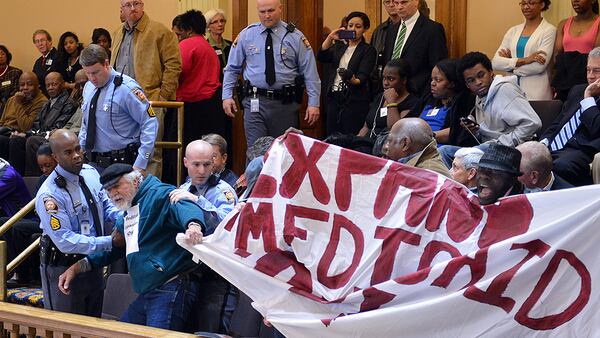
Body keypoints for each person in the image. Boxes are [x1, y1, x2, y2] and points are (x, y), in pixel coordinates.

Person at [58, 163, 206, 332]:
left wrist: (193, 225)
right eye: (108, 190)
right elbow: (117, 246)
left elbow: (184, 206)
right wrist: (79, 267)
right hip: (149, 291)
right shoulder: (128, 210)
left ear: (135, 181)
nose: (113, 194)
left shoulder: (159, 193)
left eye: (116, 186)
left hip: (171, 285)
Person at [36, 129, 121, 316]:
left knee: (92, 323)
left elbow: (107, 205)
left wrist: (124, 221)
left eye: (78, 149)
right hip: (63, 265)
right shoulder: (49, 194)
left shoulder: (90, 173)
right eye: (68, 152)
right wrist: (109, 242)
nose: (76, 156)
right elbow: (65, 240)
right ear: (55, 157)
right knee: (65, 327)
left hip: (92, 261)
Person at [223, 0, 321, 148]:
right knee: (255, 151)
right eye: (262, 12)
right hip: (255, 103)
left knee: (284, 152)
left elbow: (310, 72)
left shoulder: (295, 36)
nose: (267, 16)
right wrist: (226, 96)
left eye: (271, 11)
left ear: (280, 9)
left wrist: (314, 103)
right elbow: (232, 68)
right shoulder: (247, 35)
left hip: (285, 104)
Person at [170, 140, 237, 333]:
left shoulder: (223, 190)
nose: (201, 170)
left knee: (211, 329)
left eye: (207, 164)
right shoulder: (182, 189)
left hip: (218, 273)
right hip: (190, 272)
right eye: (196, 164)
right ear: (185, 163)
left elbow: (228, 224)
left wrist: (198, 201)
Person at [112, 0, 182, 178]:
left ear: (143, 5)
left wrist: (163, 96)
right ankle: (127, 195)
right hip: (121, 101)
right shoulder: (117, 34)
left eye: (136, 3)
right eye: (128, 4)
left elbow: (174, 65)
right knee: (123, 150)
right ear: (121, 8)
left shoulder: (160, 31)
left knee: (151, 152)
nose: (133, 8)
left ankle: (149, 196)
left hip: (150, 99)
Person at [438, 52, 541, 167]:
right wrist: (477, 131)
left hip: (512, 150)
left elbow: (533, 123)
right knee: (443, 152)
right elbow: (492, 131)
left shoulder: (505, 90)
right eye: (471, 80)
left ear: (491, 72)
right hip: (489, 148)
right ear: (467, 85)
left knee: (467, 154)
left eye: (481, 75)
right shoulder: (479, 96)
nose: (478, 82)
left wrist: (501, 144)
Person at [79, 44, 158, 172]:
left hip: (123, 164)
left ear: (106, 64)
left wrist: (141, 162)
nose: (92, 78)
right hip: (93, 162)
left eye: (95, 72)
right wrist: (80, 148)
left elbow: (149, 122)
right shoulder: (89, 88)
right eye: (87, 73)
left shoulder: (127, 89)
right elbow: (86, 123)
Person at [539, 46, 600, 186]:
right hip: (554, 148)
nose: (590, 75)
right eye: (588, 70)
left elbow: (596, 128)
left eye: (597, 71)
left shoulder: (585, 93)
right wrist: (543, 143)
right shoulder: (577, 90)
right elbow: (558, 123)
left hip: (582, 151)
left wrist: (588, 98)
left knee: (558, 166)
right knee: (521, 158)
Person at [3, 143, 57, 286]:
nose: (45, 170)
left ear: (57, 160)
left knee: (18, 228)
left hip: (55, 222)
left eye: (48, 165)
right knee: (3, 223)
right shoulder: (42, 180)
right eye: (41, 167)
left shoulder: (62, 179)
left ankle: (23, 275)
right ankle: (9, 269)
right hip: (40, 219)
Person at [6, 72, 77, 176]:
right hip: (41, 135)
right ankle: (14, 177)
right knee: (16, 140)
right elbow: (36, 125)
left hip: (54, 138)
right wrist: (25, 134)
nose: (50, 88)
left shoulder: (68, 104)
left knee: (32, 140)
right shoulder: (48, 103)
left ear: (62, 84)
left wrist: (29, 135)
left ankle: (32, 179)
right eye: (48, 85)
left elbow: (56, 129)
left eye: (54, 84)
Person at [319, 11, 377, 136]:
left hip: (354, 100)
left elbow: (362, 76)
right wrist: (330, 38)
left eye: (358, 26)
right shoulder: (339, 47)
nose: (353, 29)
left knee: (350, 137)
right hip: (334, 97)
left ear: (365, 29)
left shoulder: (368, 50)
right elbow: (322, 56)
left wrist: (352, 79)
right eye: (350, 26)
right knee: (332, 137)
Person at [172, 10, 223, 151]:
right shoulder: (208, 47)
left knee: (188, 149)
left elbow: (177, 72)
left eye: (180, 31)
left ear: (188, 30)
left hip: (192, 105)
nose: (179, 35)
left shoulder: (186, 45)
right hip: (212, 103)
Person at [492, 0, 555, 100]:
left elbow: (539, 66)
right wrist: (524, 60)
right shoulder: (513, 31)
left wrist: (509, 67)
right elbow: (495, 62)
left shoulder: (549, 30)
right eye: (523, 3)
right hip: (511, 92)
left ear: (542, 4)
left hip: (536, 94)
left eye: (531, 3)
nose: (526, 7)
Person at [383, 0, 448, 96]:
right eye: (396, 3)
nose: (399, 7)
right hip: (392, 94)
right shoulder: (391, 30)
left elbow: (438, 66)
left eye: (404, 2)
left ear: (416, 2)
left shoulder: (432, 29)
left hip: (419, 94)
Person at [407, 58, 477, 147]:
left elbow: (457, 132)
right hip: (414, 142)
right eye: (432, 79)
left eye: (438, 80)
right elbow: (409, 118)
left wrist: (425, 137)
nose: (432, 83)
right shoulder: (429, 98)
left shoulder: (465, 101)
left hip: (438, 148)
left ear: (452, 83)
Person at [358, 58, 418, 140]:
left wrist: (391, 103)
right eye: (384, 78)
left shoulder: (411, 102)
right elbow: (366, 126)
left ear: (404, 80)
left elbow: (395, 131)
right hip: (365, 144)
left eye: (391, 79)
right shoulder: (380, 97)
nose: (385, 83)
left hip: (384, 147)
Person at [553, 0, 600, 101]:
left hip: (588, 80)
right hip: (565, 83)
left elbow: (596, 55)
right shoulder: (563, 24)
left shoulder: (598, 22)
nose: (575, 1)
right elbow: (556, 57)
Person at [0, 72, 47, 159]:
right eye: (22, 85)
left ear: (38, 86)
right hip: (5, 132)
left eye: (29, 84)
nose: (25, 88)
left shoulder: (41, 101)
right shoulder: (12, 99)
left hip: (21, 136)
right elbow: (2, 122)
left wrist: (18, 104)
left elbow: (26, 127)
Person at [383, 117, 451, 177]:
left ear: (405, 144)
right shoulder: (420, 168)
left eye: (389, 141)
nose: (386, 147)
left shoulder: (426, 175)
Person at [370, 0, 401, 94]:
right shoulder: (379, 31)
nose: (391, 5)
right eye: (387, 2)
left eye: (394, 1)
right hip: (381, 86)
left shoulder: (409, 28)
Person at [205, 8, 232, 77]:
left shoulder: (231, 45)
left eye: (222, 21)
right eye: (215, 22)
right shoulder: (205, 46)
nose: (220, 24)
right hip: (213, 85)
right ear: (208, 26)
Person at [32, 29, 57, 97]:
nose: (40, 44)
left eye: (42, 40)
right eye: (37, 41)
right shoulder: (38, 62)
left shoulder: (58, 56)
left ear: (50, 41)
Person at [0, 45, 23, 115]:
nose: (0, 56)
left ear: (7, 56)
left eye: (2, 54)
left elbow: (16, 92)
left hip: (9, 108)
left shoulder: (15, 72)